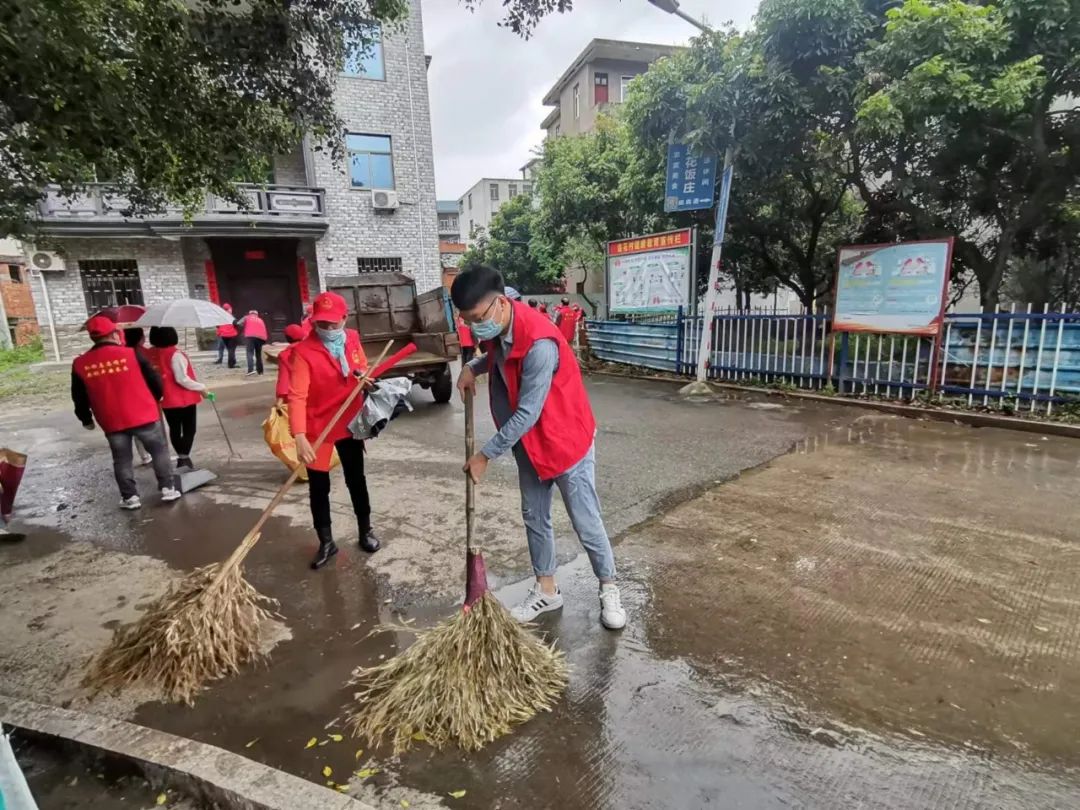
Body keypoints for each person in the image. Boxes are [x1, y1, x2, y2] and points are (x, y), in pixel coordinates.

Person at [452, 265, 625, 630]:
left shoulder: (540, 342)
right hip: (529, 446)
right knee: (534, 516)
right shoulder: (499, 325)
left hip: (565, 442)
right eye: (467, 322)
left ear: (499, 304)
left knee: (584, 520)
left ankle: (609, 585)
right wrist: (473, 366)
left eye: (477, 318)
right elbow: (496, 356)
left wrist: (485, 455)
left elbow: (528, 413)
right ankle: (547, 589)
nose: (474, 328)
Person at [288, 291, 379, 569]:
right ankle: (326, 541)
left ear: (344, 318)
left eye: (333, 324)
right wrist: (300, 435)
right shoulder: (303, 352)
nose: (328, 329)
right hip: (318, 426)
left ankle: (366, 530)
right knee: (319, 487)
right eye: (322, 324)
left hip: (349, 422)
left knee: (356, 479)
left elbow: (360, 365)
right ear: (313, 321)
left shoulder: (351, 338)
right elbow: (297, 396)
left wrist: (365, 379)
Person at [71, 315, 181, 509]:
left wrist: (85, 418)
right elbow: (153, 378)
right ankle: (167, 488)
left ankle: (130, 498)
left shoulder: (80, 363)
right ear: (114, 333)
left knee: (121, 459)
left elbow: (79, 395)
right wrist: (159, 396)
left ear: (92, 338)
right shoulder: (131, 353)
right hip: (144, 414)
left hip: (111, 420)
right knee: (158, 450)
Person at [147, 326, 212, 469]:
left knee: (175, 429)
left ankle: (182, 457)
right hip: (183, 399)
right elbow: (182, 378)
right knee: (189, 429)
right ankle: (184, 458)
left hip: (166, 399)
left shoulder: (151, 354)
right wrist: (202, 387)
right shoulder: (175, 354)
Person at [122, 327, 154, 467]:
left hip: (126, 396)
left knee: (136, 430)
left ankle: (145, 456)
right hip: (145, 395)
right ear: (141, 338)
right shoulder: (144, 353)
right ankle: (156, 454)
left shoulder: (120, 353)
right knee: (150, 428)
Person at [275, 323, 306, 406]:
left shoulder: (285, 355)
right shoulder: (311, 350)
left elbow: (284, 377)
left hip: (297, 392)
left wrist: (280, 399)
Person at [239, 309, 268, 376]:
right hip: (260, 338)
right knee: (258, 354)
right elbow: (264, 329)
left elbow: (239, 323)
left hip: (250, 337)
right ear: (256, 314)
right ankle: (260, 371)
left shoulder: (246, 317)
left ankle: (250, 370)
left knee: (249, 353)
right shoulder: (260, 320)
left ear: (249, 313)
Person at [215, 303, 239, 368]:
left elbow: (217, 325)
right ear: (228, 309)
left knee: (230, 349)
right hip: (231, 335)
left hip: (224, 336)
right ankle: (231, 364)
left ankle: (233, 361)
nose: (231, 310)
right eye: (230, 309)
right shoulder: (231, 316)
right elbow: (236, 324)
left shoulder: (220, 317)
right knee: (231, 350)